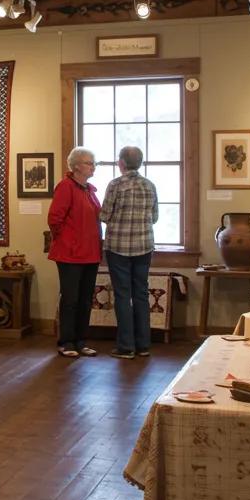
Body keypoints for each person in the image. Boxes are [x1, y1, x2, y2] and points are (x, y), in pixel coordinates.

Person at [100, 145, 159, 360]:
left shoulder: (115, 185)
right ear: (140, 163)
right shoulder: (150, 185)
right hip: (144, 246)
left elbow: (104, 215)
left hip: (118, 248)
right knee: (141, 294)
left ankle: (126, 346)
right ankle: (144, 345)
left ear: (121, 163)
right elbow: (154, 217)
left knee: (123, 295)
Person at [47, 146, 102, 358]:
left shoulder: (89, 190)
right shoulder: (65, 187)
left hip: (90, 253)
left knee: (86, 299)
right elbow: (54, 219)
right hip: (70, 254)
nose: (93, 167)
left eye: (93, 163)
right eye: (89, 163)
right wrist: (68, 240)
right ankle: (66, 341)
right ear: (77, 166)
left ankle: (81, 341)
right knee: (70, 299)